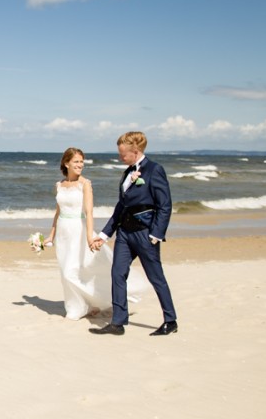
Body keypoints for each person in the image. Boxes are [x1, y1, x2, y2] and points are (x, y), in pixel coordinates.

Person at [90, 131, 178, 336]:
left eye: (123, 154)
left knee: (156, 277)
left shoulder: (155, 170)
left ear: (135, 151)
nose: (120, 157)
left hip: (145, 233)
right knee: (117, 274)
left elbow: (165, 205)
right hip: (124, 234)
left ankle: (170, 320)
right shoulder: (127, 173)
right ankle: (118, 323)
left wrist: (156, 234)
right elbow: (121, 206)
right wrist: (104, 235)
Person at [44, 147, 146, 320]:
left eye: (81, 161)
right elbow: (57, 212)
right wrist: (51, 236)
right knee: (65, 271)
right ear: (66, 163)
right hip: (63, 231)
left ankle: (80, 308)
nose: (80, 165)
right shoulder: (59, 185)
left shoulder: (85, 184)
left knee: (73, 271)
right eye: (76, 161)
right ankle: (79, 305)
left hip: (79, 230)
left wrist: (90, 236)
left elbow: (89, 212)